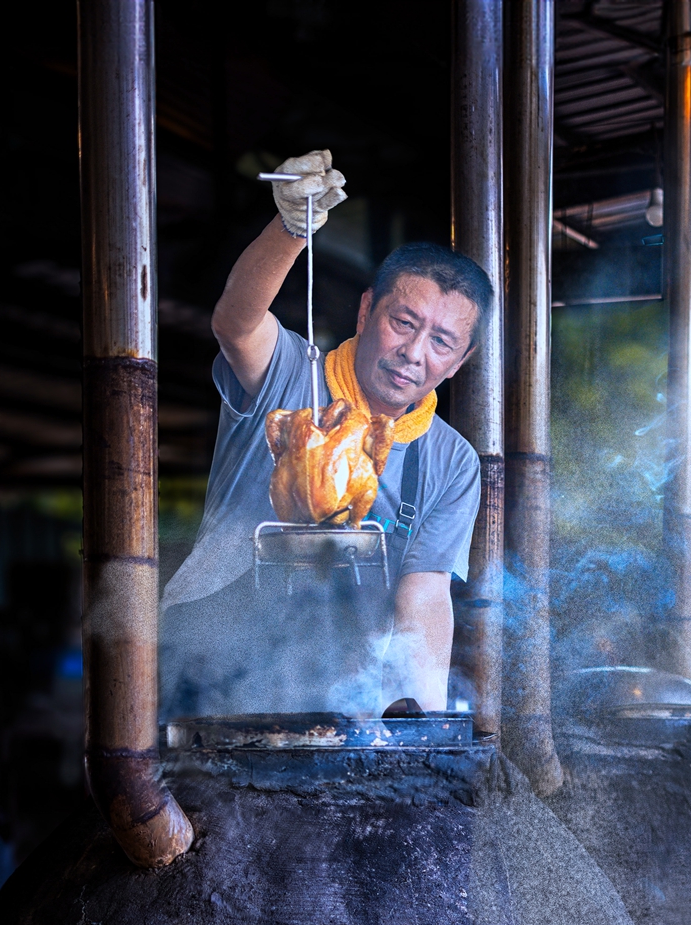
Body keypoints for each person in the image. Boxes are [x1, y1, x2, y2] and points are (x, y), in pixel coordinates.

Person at [162, 150, 487, 718]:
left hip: (332, 694)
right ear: (366, 312)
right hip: (205, 667)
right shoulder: (290, 372)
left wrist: (428, 720)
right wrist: (290, 229)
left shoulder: (451, 461)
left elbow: (425, 592)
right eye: (402, 323)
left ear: (461, 360)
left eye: (441, 341)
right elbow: (235, 323)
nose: (413, 353)